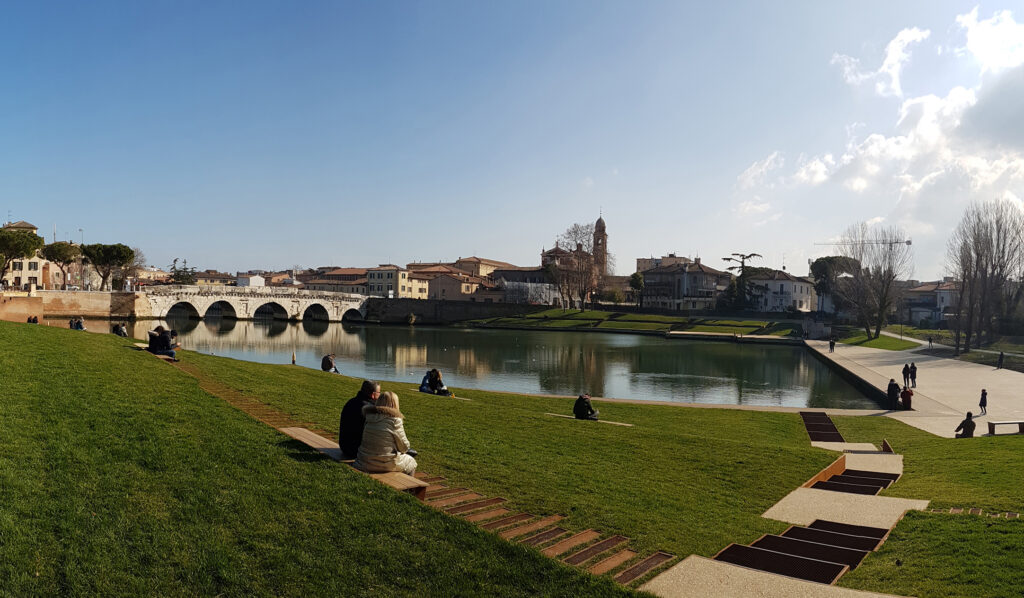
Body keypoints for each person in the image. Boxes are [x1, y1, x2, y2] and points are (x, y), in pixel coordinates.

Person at [354, 391, 417, 475]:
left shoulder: (369, 417)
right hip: (384, 463)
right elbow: (404, 447)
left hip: (364, 460)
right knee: (411, 462)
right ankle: (409, 487)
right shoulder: (395, 421)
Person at [339, 380, 380, 458]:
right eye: (379, 393)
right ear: (373, 395)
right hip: (359, 450)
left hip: (345, 447)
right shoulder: (370, 409)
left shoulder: (351, 402)